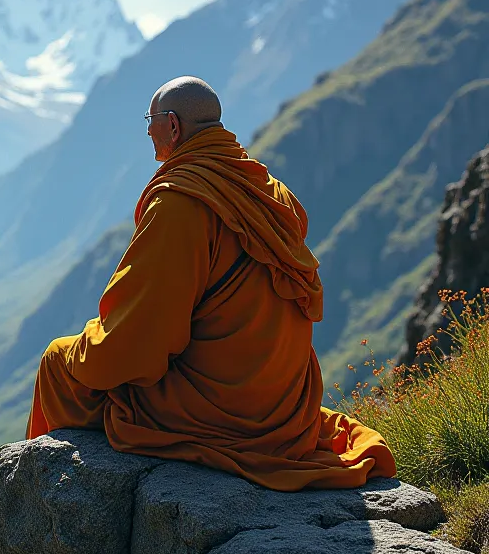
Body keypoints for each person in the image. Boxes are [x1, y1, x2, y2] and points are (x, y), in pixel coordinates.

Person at [25, 76, 396, 491]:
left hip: (219, 409)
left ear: (173, 125)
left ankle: (46, 495)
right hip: (281, 405)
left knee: (59, 363)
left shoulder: (180, 204)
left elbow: (138, 339)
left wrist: (89, 344)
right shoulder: (272, 192)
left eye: (150, 120)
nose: (147, 130)